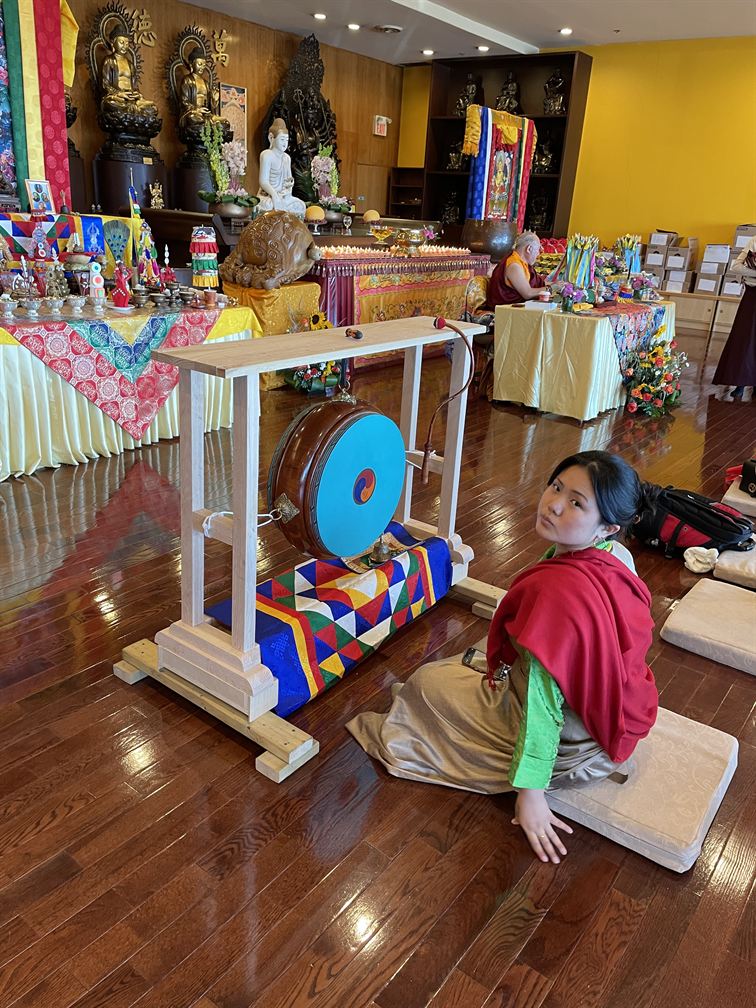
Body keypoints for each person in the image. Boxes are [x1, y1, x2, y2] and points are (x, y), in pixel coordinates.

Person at [347, 451, 658, 864]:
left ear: (608, 527)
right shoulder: (617, 556)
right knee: (461, 665)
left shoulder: (560, 596)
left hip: (575, 741)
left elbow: (544, 706)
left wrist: (531, 793)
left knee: (424, 685)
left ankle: (529, 766)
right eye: (556, 486)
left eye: (576, 502)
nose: (554, 504)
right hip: (613, 717)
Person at [712, 235, 756, 402]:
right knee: (746, 339)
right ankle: (740, 382)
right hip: (753, 296)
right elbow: (736, 266)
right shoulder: (755, 240)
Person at [100, 27, 159, 120]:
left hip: (131, 98)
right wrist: (119, 94)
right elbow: (105, 85)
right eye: (121, 42)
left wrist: (137, 95)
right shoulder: (109, 61)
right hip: (118, 98)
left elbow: (134, 87)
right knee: (111, 104)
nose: (125, 46)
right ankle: (133, 111)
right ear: (113, 43)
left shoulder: (130, 64)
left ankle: (133, 110)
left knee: (153, 108)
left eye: (127, 43)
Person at [482, 231, 548, 308]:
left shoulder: (523, 264)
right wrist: (550, 289)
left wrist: (553, 285)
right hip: (505, 310)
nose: (538, 254)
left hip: (517, 308)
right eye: (538, 250)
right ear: (529, 249)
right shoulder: (514, 265)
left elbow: (537, 284)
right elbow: (527, 293)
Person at [256, 119, 306, 215]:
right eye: (282, 139)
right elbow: (263, 182)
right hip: (268, 196)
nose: (285, 143)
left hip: (283, 196)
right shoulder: (266, 155)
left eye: (287, 140)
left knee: (301, 206)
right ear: (271, 138)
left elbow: (288, 180)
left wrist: (289, 187)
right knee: (269, 206)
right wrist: (274, 195)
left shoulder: (286, 158)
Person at [179, 48, 230, 137]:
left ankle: (208, 123)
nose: (202, 67)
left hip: (206, 114)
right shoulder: (187, 80)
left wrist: (214, 100)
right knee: (193, 118)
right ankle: (209, 123)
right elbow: (184, 101)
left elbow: (210, 106)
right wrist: (196, 110)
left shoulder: (206, 83)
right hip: (194, 113)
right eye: (199, 64)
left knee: (225, 123)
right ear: (191, 64)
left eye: (204, 64)